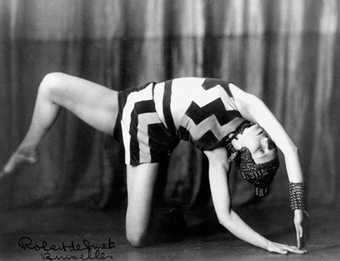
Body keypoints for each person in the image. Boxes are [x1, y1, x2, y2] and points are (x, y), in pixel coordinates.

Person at [0, 73, 307, 254]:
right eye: (270, 146)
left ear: (246, 156)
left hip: (147, 132)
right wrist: (297, 206)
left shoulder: (218, 154)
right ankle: (28, 147)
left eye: (262, 148)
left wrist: (267, 246)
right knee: (51, 84)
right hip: (133, 101)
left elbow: (225, 215)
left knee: (136, 236)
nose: (267, 140)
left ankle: (169, 216)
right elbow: (289, 148)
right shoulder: (245, 103)